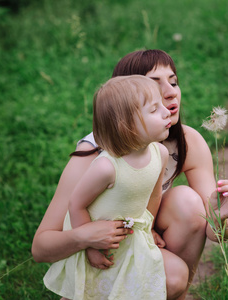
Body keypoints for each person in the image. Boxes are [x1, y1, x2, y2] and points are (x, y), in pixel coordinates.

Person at [32, 49, 228, 300]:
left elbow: (214, 233)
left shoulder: (185, 143)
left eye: (173, 81)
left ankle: (177, 295)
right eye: (154, 85)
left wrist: (218, 219)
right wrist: (86, 237)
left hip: (137, 240)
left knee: (187, 203)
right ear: (124, 107)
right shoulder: (95, 157)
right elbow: (40, 248)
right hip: (101, 251)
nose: (171, 91)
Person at [43, 75, 171, 299]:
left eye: (162, 104)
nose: (166, 111)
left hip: (127, 240)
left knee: (126, 289)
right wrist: (90, 246)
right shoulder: (107, 167)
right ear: (127, 126)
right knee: (88, 290)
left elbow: (153, 195)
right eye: (154, 109)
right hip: (94, 238)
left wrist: (148, 228)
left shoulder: (159, 153)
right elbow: (76, 204)